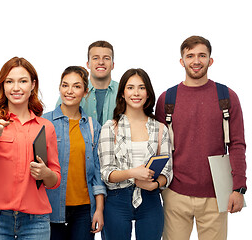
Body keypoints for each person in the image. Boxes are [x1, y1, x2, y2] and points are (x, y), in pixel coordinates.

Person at [155, 35, 247, 240]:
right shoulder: (167, 99)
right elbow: (158, 148)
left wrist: (239, 188)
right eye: (190, 56)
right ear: (182, 61)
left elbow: (237, 144)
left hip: (216, 193)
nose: (196, 61)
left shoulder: (227, 96)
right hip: (175, 192)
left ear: (210, 60)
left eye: (202, 55)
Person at [0, 57, 61, 240]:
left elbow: (55, 179)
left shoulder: (46, 127)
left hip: (36, 221)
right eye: (9, 81)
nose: (16, 88)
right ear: (3, 86)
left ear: (33, 85)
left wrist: (46, 173)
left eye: (22, 81)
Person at [98, 68, 173, 240]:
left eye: (141, 87)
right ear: (122, 93)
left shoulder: (160, 128)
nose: (136, 93)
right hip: (117, 199)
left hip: (150, 199)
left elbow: (167, 172)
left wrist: (155, 185)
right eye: (130, 87)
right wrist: (133, 173)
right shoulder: (110, 128)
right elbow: (106, 173)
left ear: (148, 93)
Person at [43, 66, 107, 240]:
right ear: (59, 88)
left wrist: (99, 210)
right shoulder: (44, 122)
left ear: (85, 92)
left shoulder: (94, 127)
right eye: (65, 85)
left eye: (76, 86)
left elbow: (98, 174)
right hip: (50, 207)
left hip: (84, 210)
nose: (69, 91)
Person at [57, 40, 118, 126]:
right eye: (95, 58)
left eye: (106, 58)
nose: (101, 62)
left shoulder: (123, 91)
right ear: (88, 64)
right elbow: (57, 122)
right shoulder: (72, 92)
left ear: (113, 65)